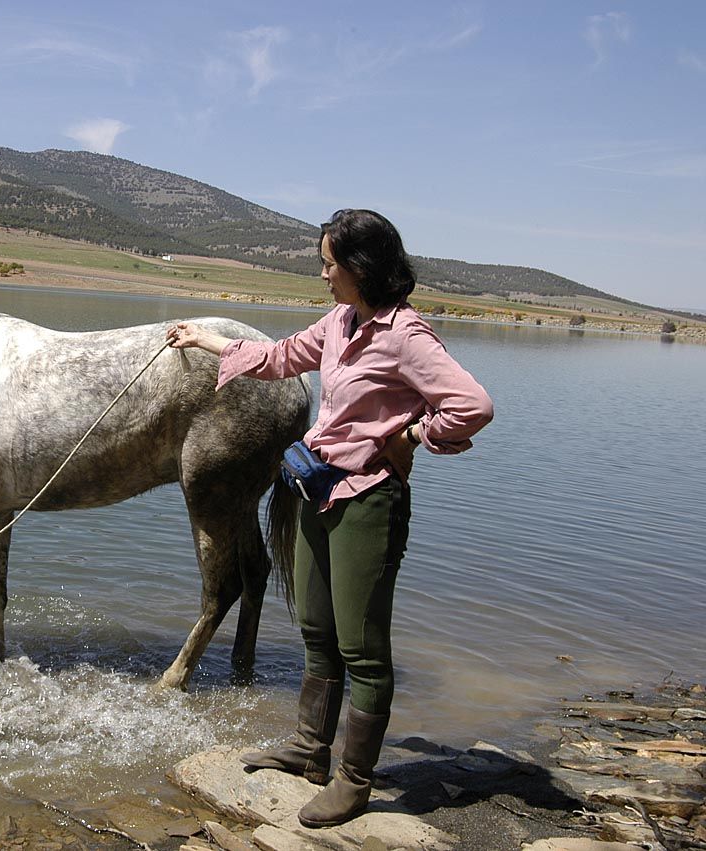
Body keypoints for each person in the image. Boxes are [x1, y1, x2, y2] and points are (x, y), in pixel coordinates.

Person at [166, 209, 493, 829]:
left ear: (360, 267)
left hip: (370, 502)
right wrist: (206, 338)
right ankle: (310, 750)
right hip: (317, 491)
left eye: (329, 263)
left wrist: (414, 435)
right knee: (317, 629)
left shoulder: (407, 336)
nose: (322, 274)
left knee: (362, 649)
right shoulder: (343, 321)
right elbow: (284, 356)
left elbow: (473, 405)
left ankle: (354, 780)